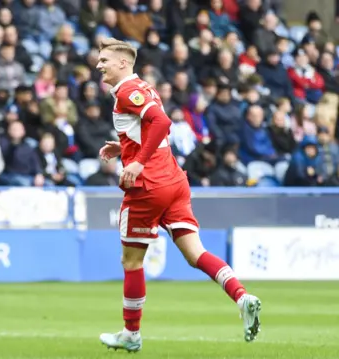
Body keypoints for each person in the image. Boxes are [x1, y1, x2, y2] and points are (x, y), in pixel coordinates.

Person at [94, 37, 261, 352]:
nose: (99, 65)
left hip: (149, 186)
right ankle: (242, 296)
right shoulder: (142, 87)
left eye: (104, 60)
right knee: (195, 253)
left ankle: (131, 334)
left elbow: (162, 122)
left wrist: (138, 162)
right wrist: (125, 146)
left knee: (131, 262)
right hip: (174, 180)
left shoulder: (128, 91)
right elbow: (149, 128)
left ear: (122, 63)